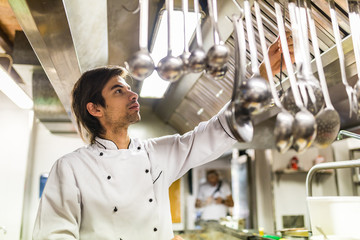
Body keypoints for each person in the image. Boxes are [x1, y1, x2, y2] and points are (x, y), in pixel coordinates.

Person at [32, 33, 293, 240]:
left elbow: (220, 130)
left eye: (129, 90)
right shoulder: (71, 168)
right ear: (95, 108)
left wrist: (262, 80)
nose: (133, 95)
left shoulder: (156, 154)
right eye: (118, 92)